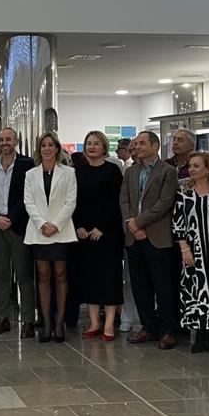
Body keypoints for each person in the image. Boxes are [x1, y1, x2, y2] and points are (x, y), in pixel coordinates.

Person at [121, 131, 181, 350]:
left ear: (155, 146)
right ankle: (148, 326)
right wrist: (132, 224)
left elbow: (165, 202)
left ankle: (168, 329)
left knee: (163, 285)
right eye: (135, 144)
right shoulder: (131, 172)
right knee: (140, 285)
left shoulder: (168, 172)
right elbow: (124, 199)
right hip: (134, 237)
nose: (137, 147)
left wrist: (139, 222)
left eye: (142, 143)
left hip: (157, 236)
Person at [173, 152, 209, 353]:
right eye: (190, 166)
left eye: (196, 166)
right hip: (194, 248)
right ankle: (198, 334)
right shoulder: (184, 193)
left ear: (208, 169)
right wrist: (185, 249)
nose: (191, 170)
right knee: (196, 290)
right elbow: (178, 223)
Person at [24, 131, 78, 343]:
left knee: (61, 274)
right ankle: (46, 323)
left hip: (61, 230)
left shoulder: (69, 173)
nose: (46, 148)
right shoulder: (30, 174)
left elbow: (70, 202)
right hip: (38, 231)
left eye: (50, 145)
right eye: (43, 145)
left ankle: (59, 324)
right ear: (39, 150)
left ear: (57, 148)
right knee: (43, 275)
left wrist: (55, 224)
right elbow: (29, 203)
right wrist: (43, 224)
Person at [0, 127, 36, 338]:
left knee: (24, 276)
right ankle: (2, 318)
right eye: (1, 139)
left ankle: (28, 321)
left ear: (16, 142)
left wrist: (11, 218)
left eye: (9, 139)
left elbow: (28, 196)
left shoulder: (27, 164)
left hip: (18, 227)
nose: (4, 143)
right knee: (1, 276)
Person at [73, 130, 124, 342]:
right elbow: (73, 202)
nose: (92, 147)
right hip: (85, 234)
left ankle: (110, 324)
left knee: (109, 278)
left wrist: (102, 227)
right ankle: (94, 322)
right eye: (88, 143)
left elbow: (116, 202)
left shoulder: (113, 170)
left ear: (104, 147)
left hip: (108, 233)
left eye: (96, 143)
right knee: (90, 278)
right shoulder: (78, 171)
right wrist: (79, 226)